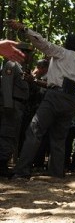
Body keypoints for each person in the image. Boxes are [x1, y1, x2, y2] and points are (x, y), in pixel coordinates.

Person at [6, 20, 75, 180]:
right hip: (69, 102)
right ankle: (56, 174)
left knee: (34, 130)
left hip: (54, 97)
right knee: (59, 138)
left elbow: (42, 43)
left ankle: (22, 171)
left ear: (66, 43)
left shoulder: (61, 52)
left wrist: (25, 29)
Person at [0, 43, 34, 177]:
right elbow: (6, 86)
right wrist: (8, 105)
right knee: (7, 134)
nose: (29, 56)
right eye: (27, 53)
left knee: (12, 135)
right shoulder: (12, 65)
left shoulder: (22, 69)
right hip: (12, 105)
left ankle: (4, 163)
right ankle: (1, 165)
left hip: (19, 105)